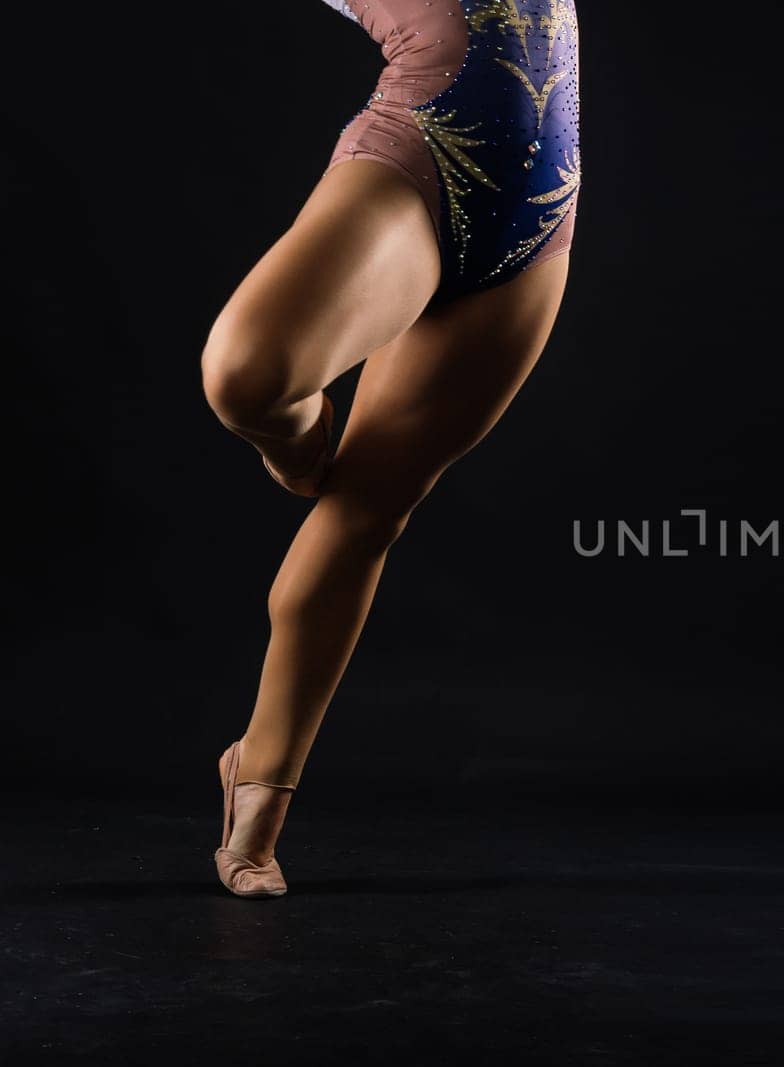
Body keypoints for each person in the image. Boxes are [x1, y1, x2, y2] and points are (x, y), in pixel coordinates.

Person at [202, 0, 581, 898]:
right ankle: (295, 437)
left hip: (536, 218)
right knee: (247, 375)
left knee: (370, 509)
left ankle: (257, 792)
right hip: (414, 162)